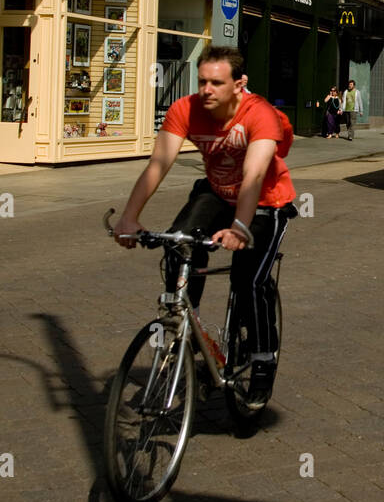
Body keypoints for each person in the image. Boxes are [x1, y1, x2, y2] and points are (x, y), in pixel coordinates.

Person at [112, 46, 296, 401]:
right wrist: (129, 217)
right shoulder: (186, 109)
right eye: (202, 82)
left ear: (239, 84)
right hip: (216, 193)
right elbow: (157, 164)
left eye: (216, 82)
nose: (206, 90)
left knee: (248, 281)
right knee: (178, 242)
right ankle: (185, 325)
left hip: (264, 202)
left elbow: (254, 174)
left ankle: (261, 360)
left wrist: (240, 227)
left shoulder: (260, 114)